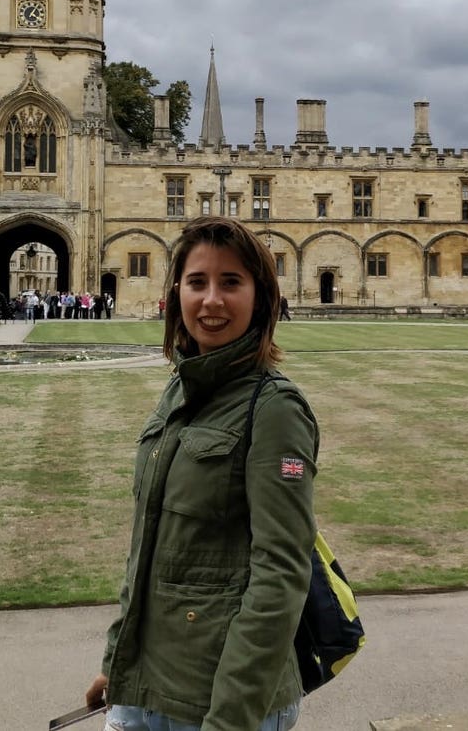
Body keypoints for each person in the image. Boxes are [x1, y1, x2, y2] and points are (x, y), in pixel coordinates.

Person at [86, 216, 318, 731]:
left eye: (231, 282)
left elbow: (280, 575)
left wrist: (231, 719)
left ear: (261, 297)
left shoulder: (273, 408)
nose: (211, 300)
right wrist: (117, 662)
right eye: (197, 282)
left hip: (215, 704)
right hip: (143, 688)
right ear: (177, 294)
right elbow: (149, 545)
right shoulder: (180, 391)